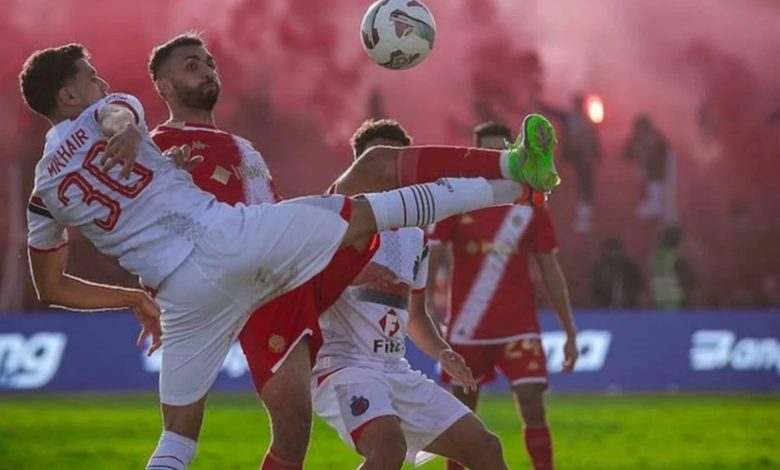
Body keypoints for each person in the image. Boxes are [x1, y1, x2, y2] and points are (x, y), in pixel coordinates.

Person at [20, 44, 559, 470]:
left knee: (187, 434)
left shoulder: (48, 190)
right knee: (374, 184)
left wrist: (134, 295)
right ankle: (515, 177)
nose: (103, 83)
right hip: (247, 261)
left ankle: (517, 180)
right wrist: (129, 130)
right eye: (190, 65)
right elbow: (115, 118)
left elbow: (53, 286)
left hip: (221, 283)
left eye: (207, 62)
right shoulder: (131, 122)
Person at [312, 119, 507, 470]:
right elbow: (295, 278)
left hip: (395, 369)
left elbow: (415, 315)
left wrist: (443, 352)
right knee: (387, 450)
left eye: (399, 162)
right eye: (380, 159)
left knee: (486, 448)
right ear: (359, 166)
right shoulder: (335, 218)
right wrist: (347, 275)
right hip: (343, 366)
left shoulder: (415, 235)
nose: (390, 171)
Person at [428, 121, 578, 470]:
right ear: (474, 154)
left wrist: (569, 330)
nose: (494, 157)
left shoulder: (531, 201)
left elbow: (550, 269)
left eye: (500, 150)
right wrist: (427, 309)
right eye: (486, 151)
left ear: (511, 153)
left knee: (532, 402)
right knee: (462, 418)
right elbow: (432, 258)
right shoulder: (456, 198)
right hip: (467, 326)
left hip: (518, 324)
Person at [540, 96, 601, 232]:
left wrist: (596, 155)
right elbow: (554, 112)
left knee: (583, 186)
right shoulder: (574, 118)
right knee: (577, 186)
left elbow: (593, 139)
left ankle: (584, 217)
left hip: (582, 158)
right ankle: (581, 215)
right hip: (574, 157)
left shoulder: (584, 120)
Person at [590, 237, 644, 308]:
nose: (614, 254)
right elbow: (593, 289)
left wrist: (631, 297)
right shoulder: (600, 268)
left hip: (630, 306)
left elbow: (640, 286)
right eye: (611, 251)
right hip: (604, 306)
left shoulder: (631, 267)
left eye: (616, 251)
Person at [650, 226, 695, 309]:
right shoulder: (676, 258)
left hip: (659, 301)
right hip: (676, 302)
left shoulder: (655, 257)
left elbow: (651, 279)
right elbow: (686, 281)